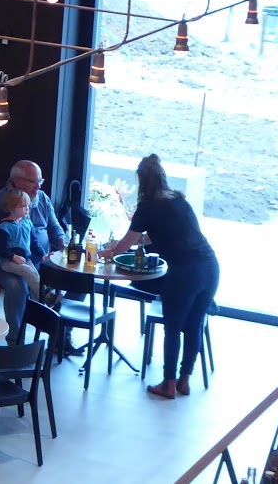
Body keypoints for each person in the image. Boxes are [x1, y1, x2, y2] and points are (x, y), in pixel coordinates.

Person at [100, 154, 219, 400]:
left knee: (173, 329)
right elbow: (159, 235)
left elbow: (125, 245)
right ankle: (184, 381)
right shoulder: (178, 200)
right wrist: (130, 244)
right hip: (210, 266)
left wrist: (109, 252)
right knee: (194, 324)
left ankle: (168, 384)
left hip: (184, 272)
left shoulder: (146, 208)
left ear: (142, 182)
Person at [0, 160, 66, 344]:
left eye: (40, 181)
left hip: (38, 258)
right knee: (17, 287)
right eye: (33, 181)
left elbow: (55, 228)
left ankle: (61, 336)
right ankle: (15, 341)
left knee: (71, 279)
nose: (38, 186)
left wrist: (63, 244)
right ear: (16, 180)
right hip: (7, 261)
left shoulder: (42, 198)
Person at [0, 189, 41, 299]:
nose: (27, 208)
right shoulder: (4, 227)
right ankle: (46, 296)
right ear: (12, 209)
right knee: (28, 271)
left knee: (35, 275)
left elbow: (34, 243)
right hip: (8, 261)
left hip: (25, 259)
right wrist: (13, 257)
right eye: (23, 206)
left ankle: (39, 303)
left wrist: (43, 255)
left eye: (28, 205)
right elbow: (0, 248)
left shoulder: (27, 224)